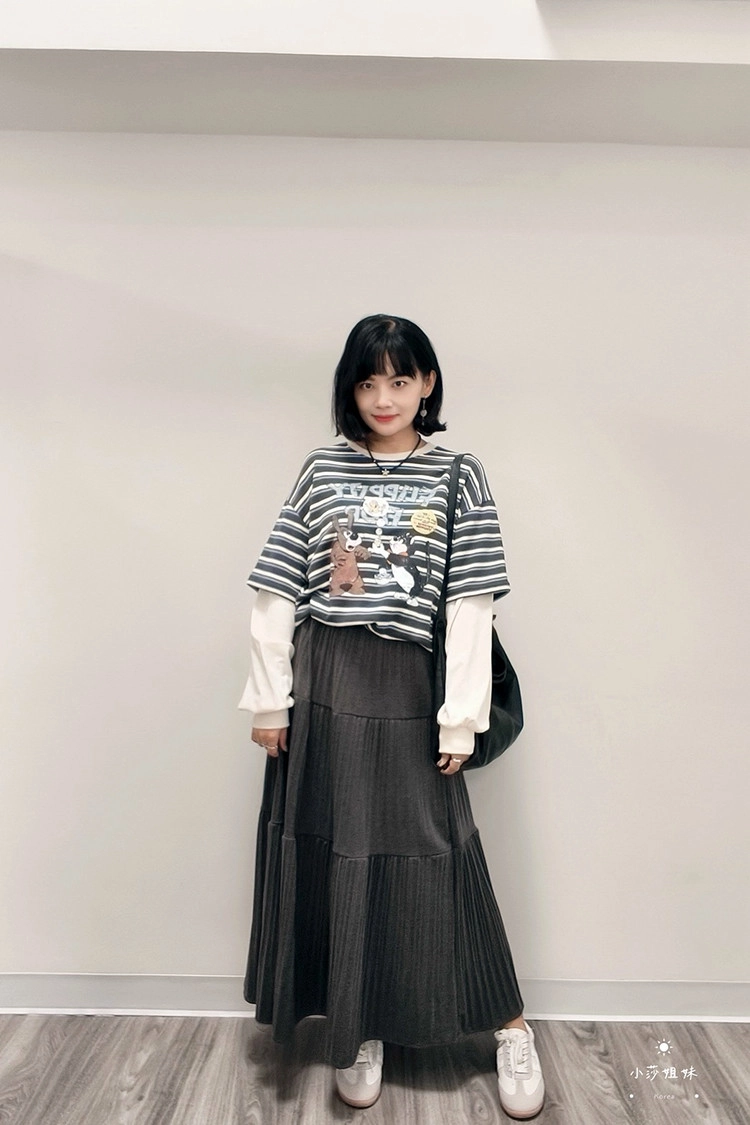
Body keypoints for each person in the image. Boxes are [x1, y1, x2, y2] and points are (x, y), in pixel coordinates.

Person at [238, 314, 545, 1119]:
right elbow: (278, 586)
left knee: (436, 847)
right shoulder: (321, 468)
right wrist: (270, 697)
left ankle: (510, 1026)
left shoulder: (457, 475)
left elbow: (471, 602)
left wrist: (460, 716)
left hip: (410, 683)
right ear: (350, 387)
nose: (384, 397)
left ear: (427, 383)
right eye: (369, 381)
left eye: (400, 380)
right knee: (342, 845)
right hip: (328, 677)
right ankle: (360, 1020)